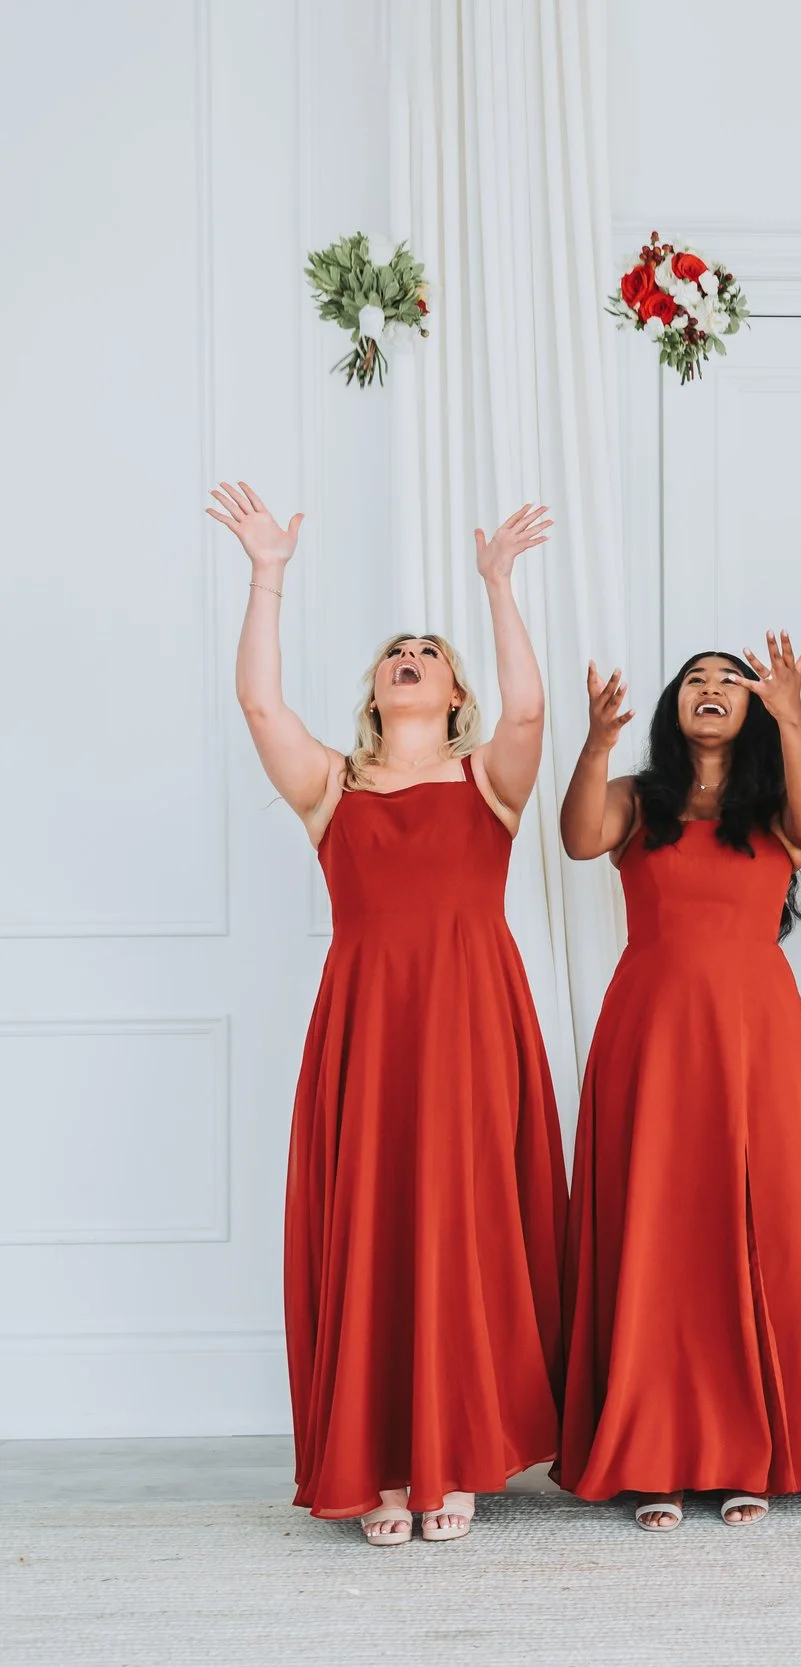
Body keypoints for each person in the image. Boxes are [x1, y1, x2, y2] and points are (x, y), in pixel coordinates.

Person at [209, 482, 564, 1547]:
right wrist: (267, 578)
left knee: (458, 1221)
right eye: (394, 650)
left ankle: (450, 1456)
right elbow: (263, 708)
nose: (411, 655)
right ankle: (385, 1463)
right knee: (377, 1220)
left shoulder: (490, 778)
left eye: (430, 649)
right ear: (374, 688)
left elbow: (535, 713)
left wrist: (498, 587)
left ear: (454, 689)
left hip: (468, 1018)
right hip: (368, 1023)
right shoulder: (333, 783)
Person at [555, 639, 801, 1530]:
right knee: (661, 1231)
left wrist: (793, 709)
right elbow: (576, 838)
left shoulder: (774, 809)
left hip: (757, 1035)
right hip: (653, 1033)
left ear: (751, 708)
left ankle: (746, 1448)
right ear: (673, 707)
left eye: (730, 681)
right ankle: (656, 1453)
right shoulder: (639, 801)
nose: (712, 690)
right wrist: (597, 740)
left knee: (757, 1228)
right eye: (695, 681)